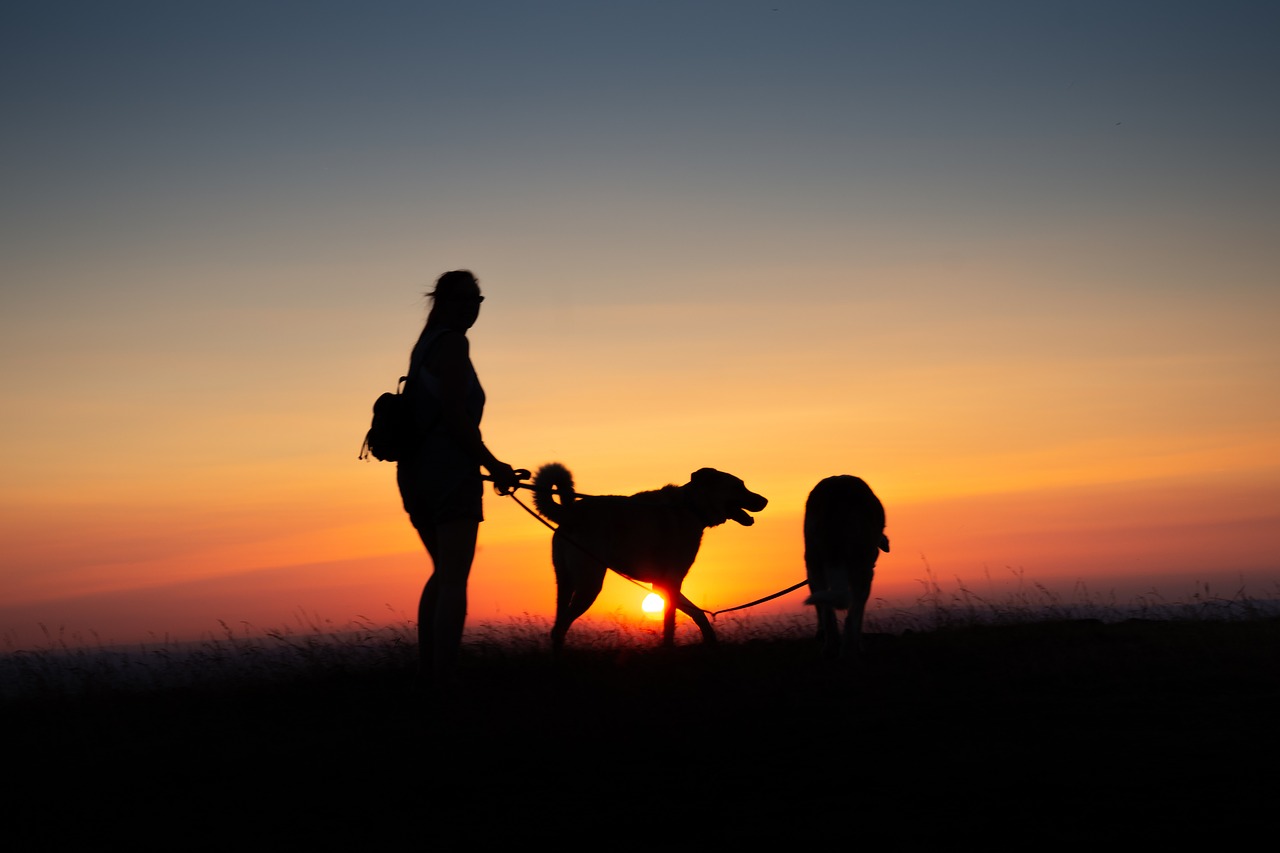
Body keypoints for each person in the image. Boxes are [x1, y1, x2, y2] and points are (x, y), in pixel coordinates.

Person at [397, 270, 523, 690]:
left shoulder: (424, 346)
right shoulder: (452, 343)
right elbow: (455, 416)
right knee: (454, 577)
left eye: (478, 300)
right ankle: (444, 677)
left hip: (415, 475)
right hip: (449, 473)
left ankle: (428, 673)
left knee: (443, 572)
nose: (472, 308)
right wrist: (495, 465)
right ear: (442, 301)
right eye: (464, 300)